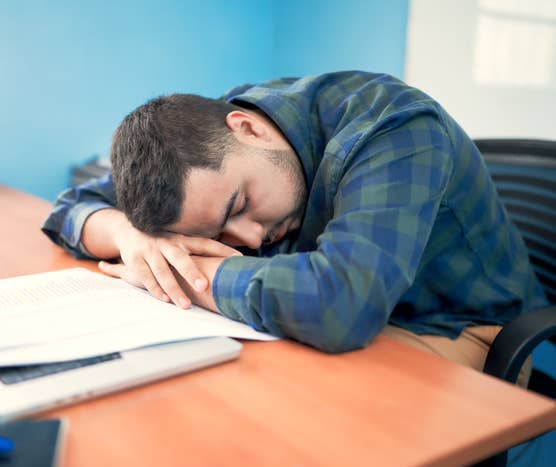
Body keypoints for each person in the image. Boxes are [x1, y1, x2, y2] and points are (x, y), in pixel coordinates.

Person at [42, 71, 547, 387]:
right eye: (221, 231)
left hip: (454, 329)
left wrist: (191, 274)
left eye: (241, 204)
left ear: (248, 129)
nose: (251, 237)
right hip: (322, 307)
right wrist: (137, 242)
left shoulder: (394, 129)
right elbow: (73, 206)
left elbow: (343, 304)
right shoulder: (202, 145)